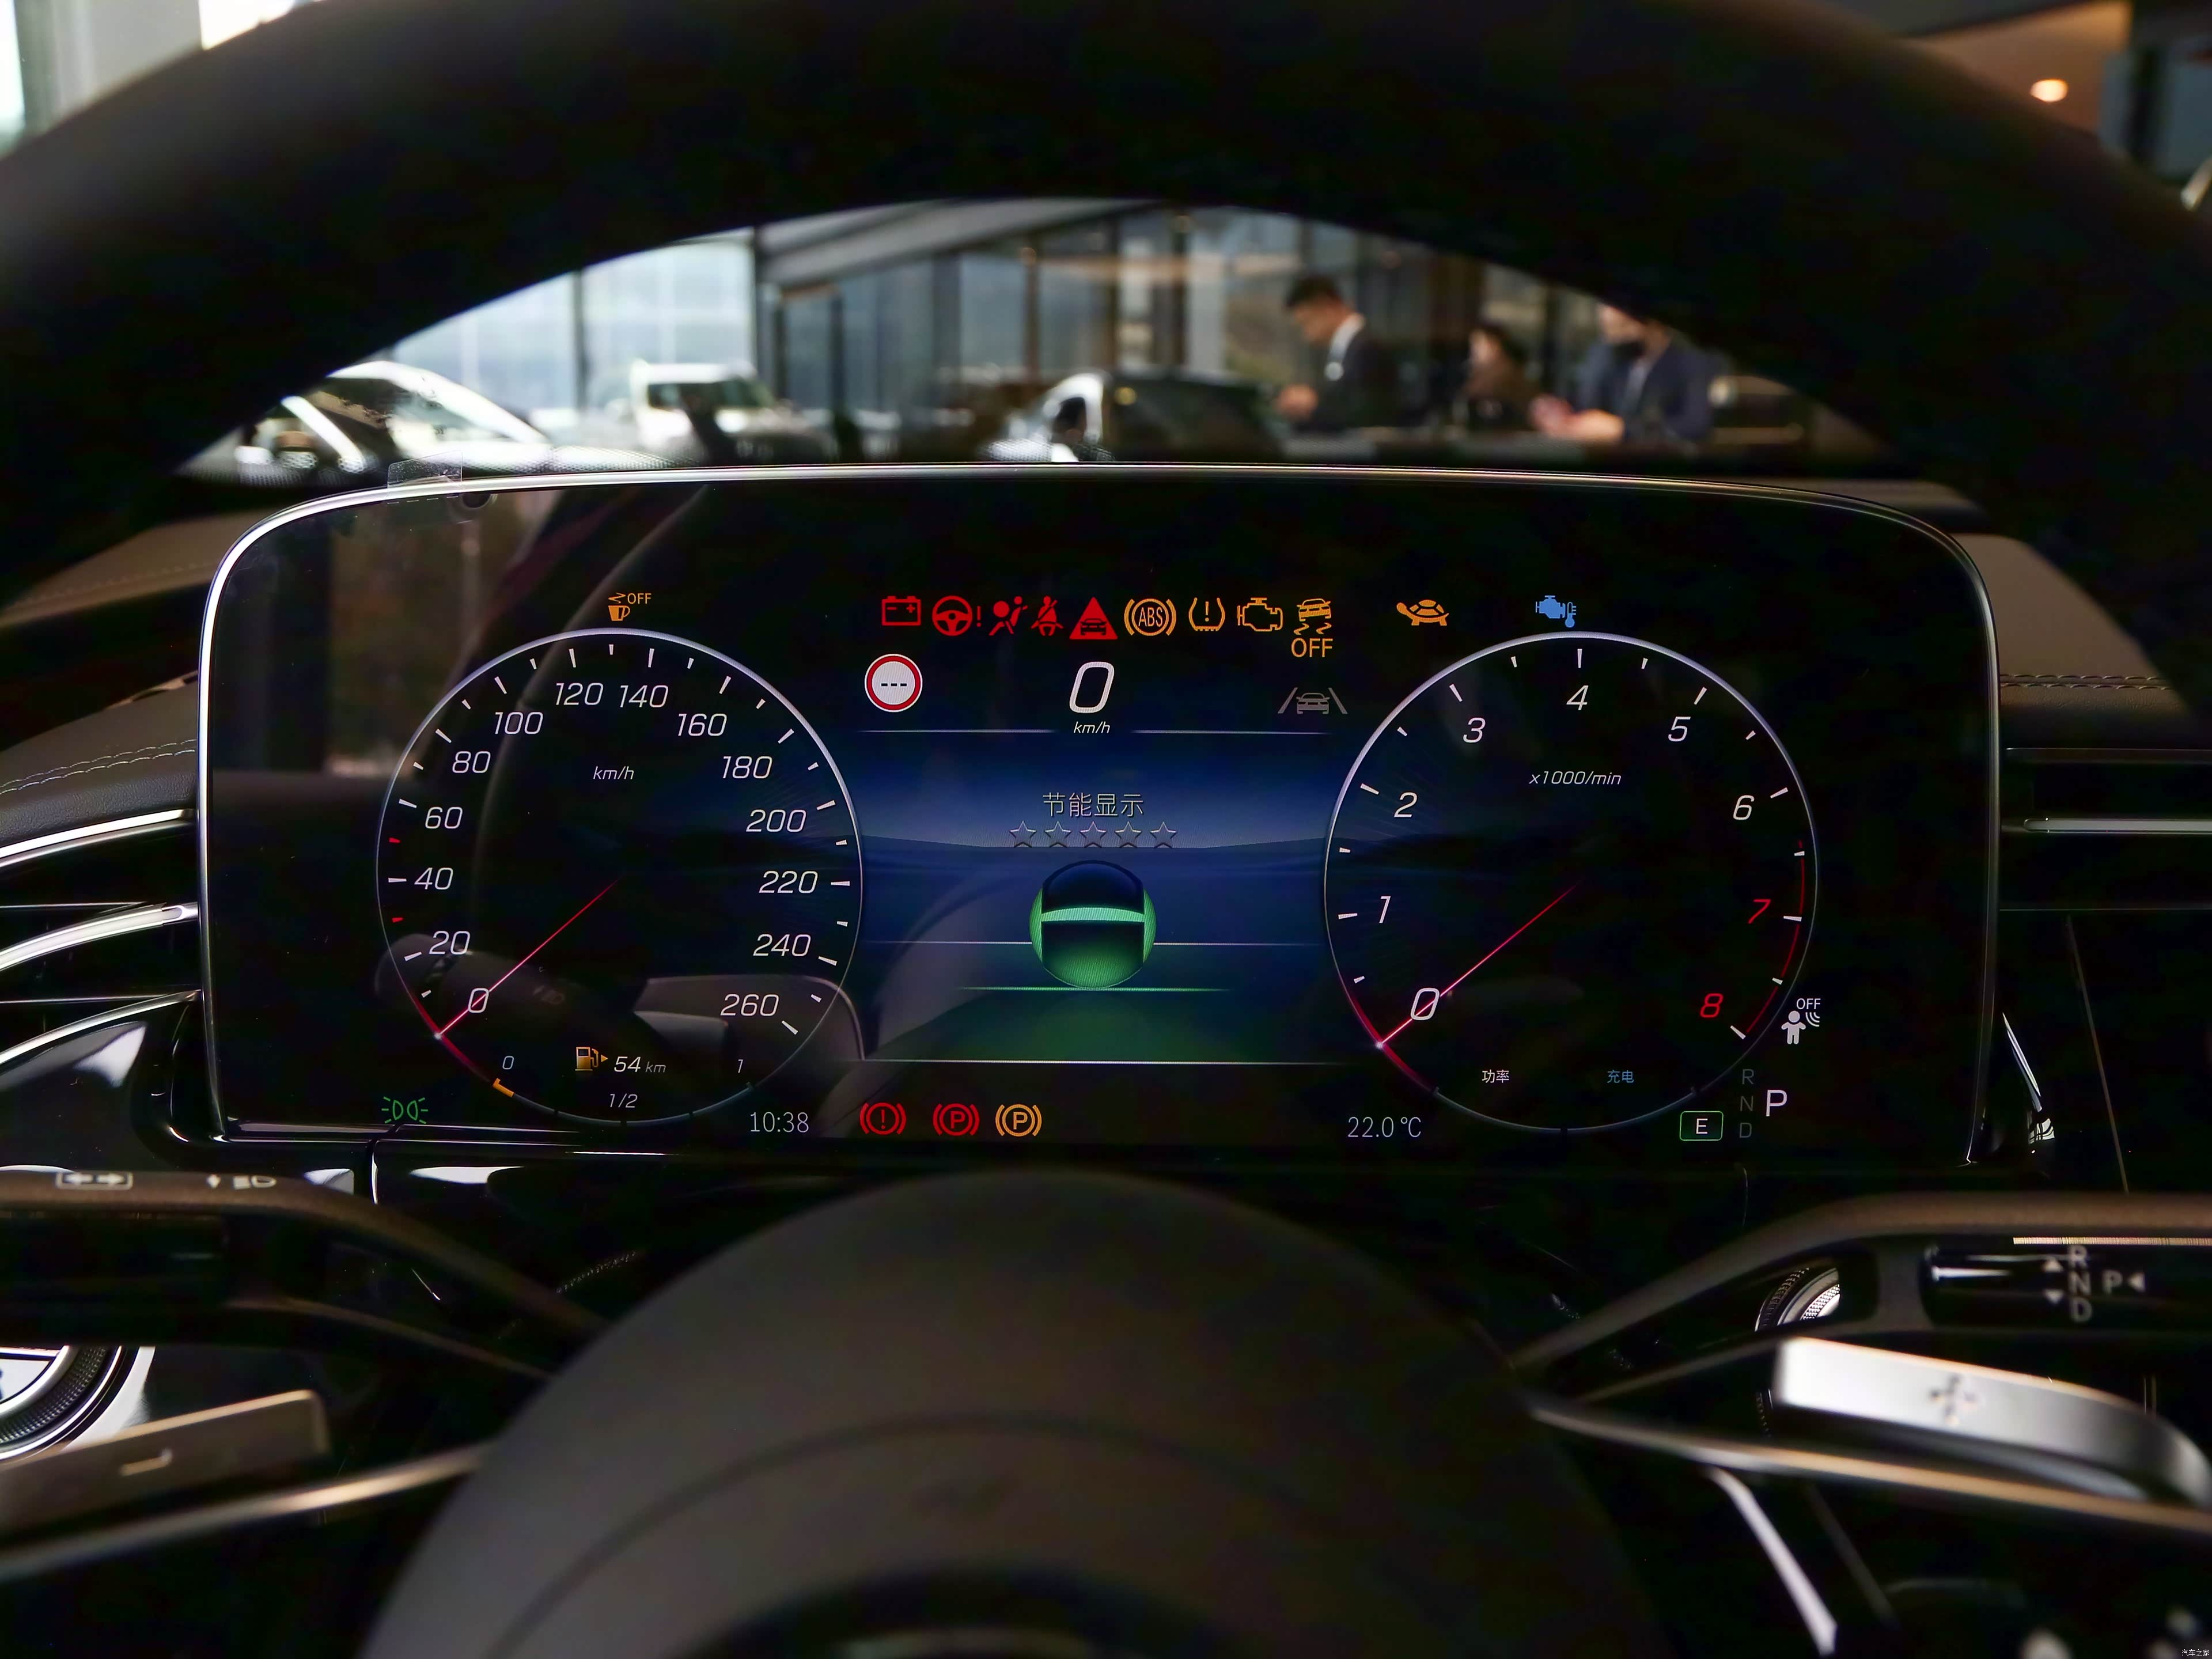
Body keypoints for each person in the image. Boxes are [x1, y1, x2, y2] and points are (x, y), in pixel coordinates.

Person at [1529, 304, 1714, 446]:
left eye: (1624, 329)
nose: (1615, 341)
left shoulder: (1690, 363)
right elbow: (1589, 407)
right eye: (1609, 333)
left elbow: (1695, 427)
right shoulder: (1613, 358)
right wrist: (1565, 415)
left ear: (1654, 324)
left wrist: (1622, 431)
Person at [1275, 274, 1399, 431]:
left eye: (1306, 323)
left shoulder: (1368, 348)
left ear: (1325, 306)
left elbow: (1368, 412)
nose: (1307, 337)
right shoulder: (1347, 349)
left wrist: (1314, 403)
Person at [1449, 322, 1536, 429]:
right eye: (1473, 344)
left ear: (1496, 345)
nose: (1474, 350)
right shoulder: (1474, 373)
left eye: (1480, 344)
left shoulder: (1509, 374)